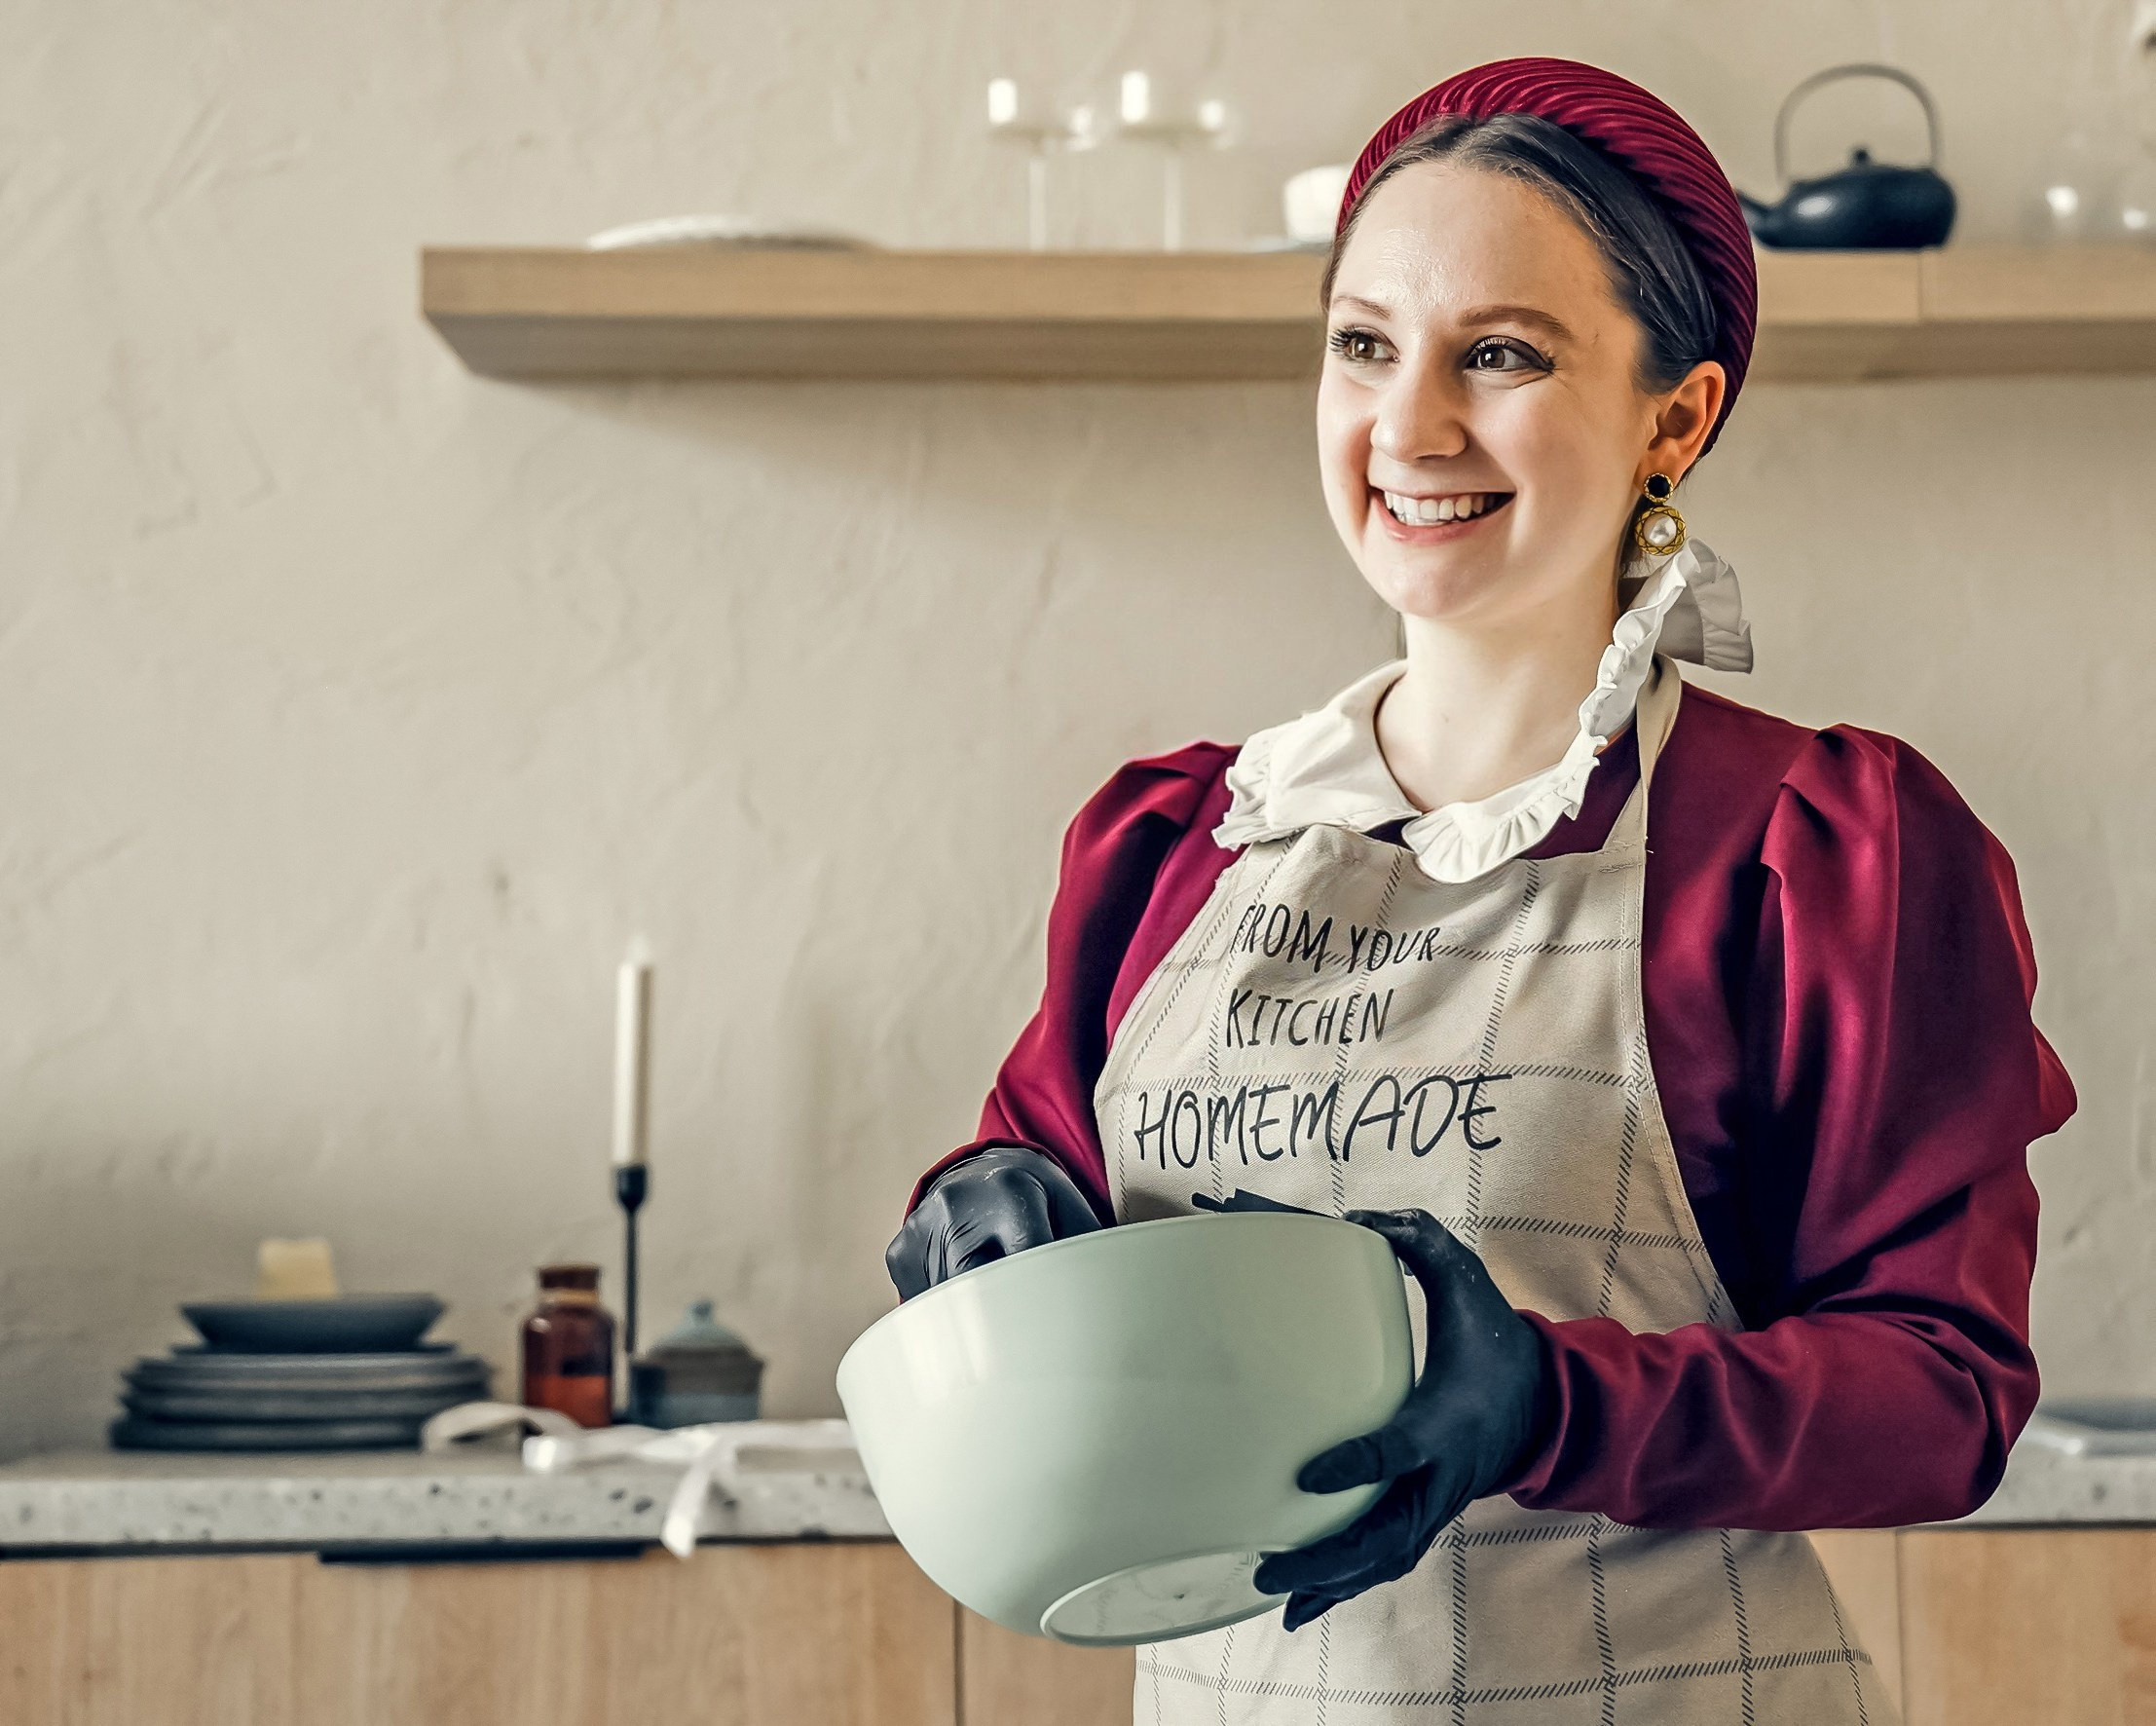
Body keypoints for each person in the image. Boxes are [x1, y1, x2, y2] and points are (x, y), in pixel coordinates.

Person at [885, 56, 2073, 1724]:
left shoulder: (1805, 848)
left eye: (1500, 353)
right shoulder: (1169, 849)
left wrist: (1547, 1404)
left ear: (1675, 418)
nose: (1409, 426)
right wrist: (985, 1204)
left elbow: (1942, 1396)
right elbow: (1039, 1177)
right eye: (1363, 344)